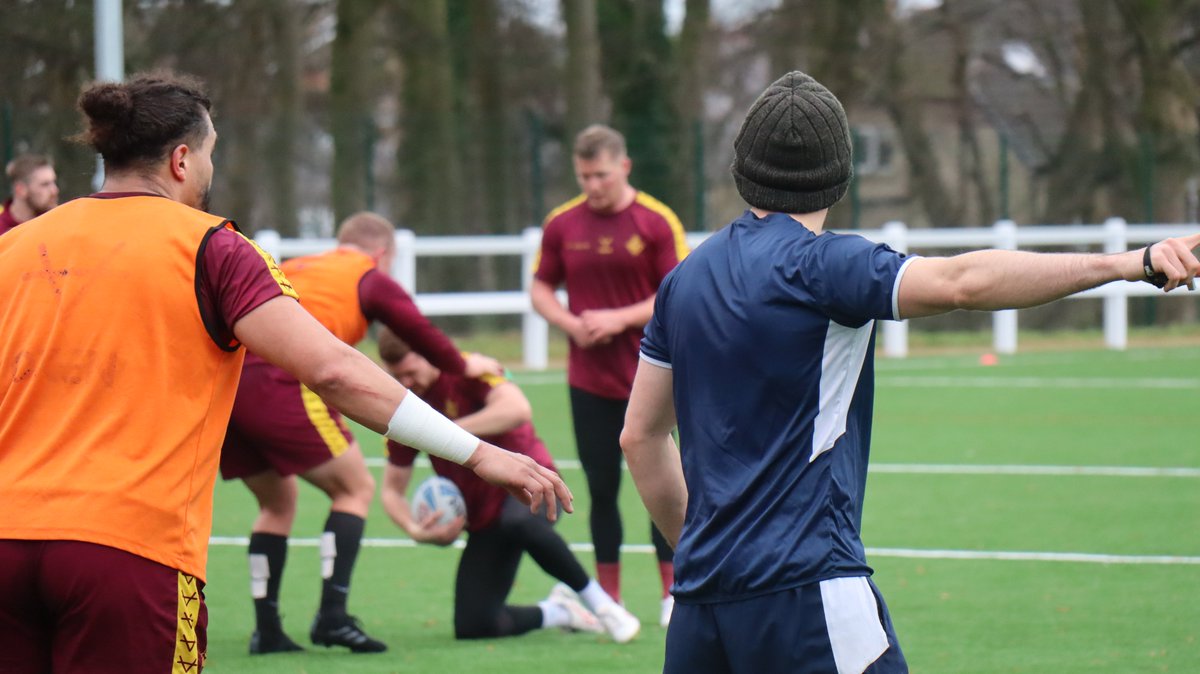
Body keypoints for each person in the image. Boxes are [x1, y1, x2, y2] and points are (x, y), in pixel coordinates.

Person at [619, 70, 1200, 674]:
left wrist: (705, 552)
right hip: (809, 589)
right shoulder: (824, 265)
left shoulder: (682, 281)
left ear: (742, 169)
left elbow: (640, 436)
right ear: (838, 177)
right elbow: (962, 283)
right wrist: (1130, 263)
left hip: (699, 609)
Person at [0, 71, 571, 674]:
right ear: (181, 159)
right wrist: (477, 454)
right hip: (127, 551)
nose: (209, 174)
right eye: (211, 155)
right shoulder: (210, 246)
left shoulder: (16, 247)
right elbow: (333, 371)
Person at [222, 211, 506, 655]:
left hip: (229, 387)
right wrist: (466, 364)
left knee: (277, 503)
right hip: (282, 382)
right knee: (354, 489)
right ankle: (332, 617)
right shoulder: (365, 274)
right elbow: (416, 328)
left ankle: (268, 629)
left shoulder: (302, 265)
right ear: (381, 253)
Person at [375, 328, 642, 644]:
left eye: (410, 372)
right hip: (484, 517)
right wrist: (416, 531)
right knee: (474, 625)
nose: (406, 382)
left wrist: (441, 433)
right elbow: (392, 490)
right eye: (397, 375)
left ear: (428, 354)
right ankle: (559, 611)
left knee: (519, 521)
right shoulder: (407, 407)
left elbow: (517, 409)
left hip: (535, 485)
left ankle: (602, 604)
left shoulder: (469, 369)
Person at [530, 123, 688, 625]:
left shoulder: (657, 222)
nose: (592, 186)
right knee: (599, 490)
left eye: (600, 174)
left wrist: (619, 318)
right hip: (588, 381)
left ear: (623, 167)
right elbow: (540, 288)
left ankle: (673, 592)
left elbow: (676, 292)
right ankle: (611, 596)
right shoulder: (562, 224)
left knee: (662, 484)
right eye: (583, 176)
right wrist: (568, 324)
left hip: (655, 377)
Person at [0, 153, 59, 235]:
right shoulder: (2, 233)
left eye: (54, 182)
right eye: (45, 184)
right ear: (20, 190)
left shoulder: (58, 224)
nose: (54, 190)